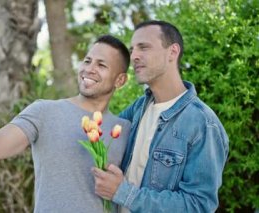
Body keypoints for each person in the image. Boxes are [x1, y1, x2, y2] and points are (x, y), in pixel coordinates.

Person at [0, 35, 132, 213]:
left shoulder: (126, 130)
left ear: (120, 80)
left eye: (101, 65)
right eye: (87, 61)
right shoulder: (44, 112)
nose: (89, 69)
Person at [92, 20, 229, 212]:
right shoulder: (139, 108)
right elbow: (97, 131)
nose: (134, 56)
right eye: (132, 50)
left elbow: (198, 205)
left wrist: (123, 193)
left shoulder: (203, 124)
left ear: (173, 52)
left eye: (144, 48)